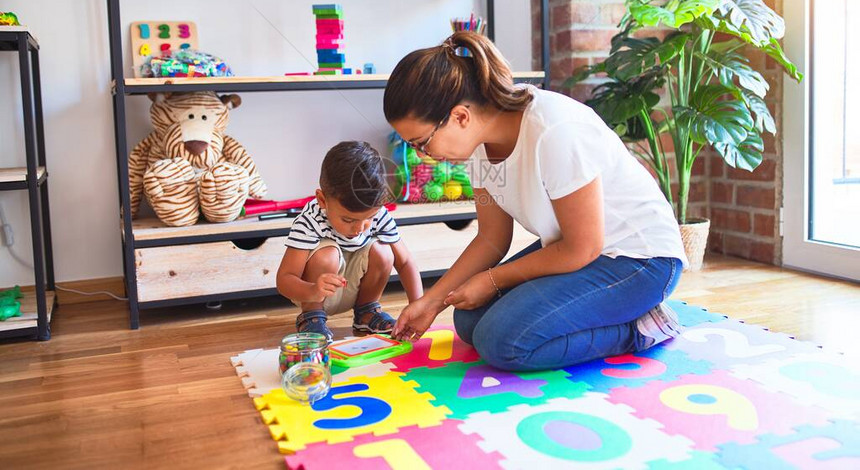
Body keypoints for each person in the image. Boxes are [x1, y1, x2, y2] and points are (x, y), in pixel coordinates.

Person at [383, 31, 687, 372]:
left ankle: (640, 327)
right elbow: (491, 239)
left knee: (503, 342)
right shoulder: (479, 146)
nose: (423, 155)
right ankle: (607, 313)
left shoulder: (553, 130)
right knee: (468, 320)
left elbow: (582, 248)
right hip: (583, 254)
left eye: (421, 142)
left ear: (460, 117)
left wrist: (494, 280)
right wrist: (431, 302)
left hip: (640, 261)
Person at [276, 141, 423, 342]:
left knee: (384, 251)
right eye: (348, 219)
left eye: (369, 218)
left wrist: (419, 305)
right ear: (322, 200)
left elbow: (405, 262)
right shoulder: (310, 219)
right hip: (314, 293)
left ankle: (367, 311)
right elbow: (285, 279)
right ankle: (311, 317)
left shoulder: (378, 212)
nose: (360, 228)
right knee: (326, 255)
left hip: (354, 288)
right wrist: (313, 290)